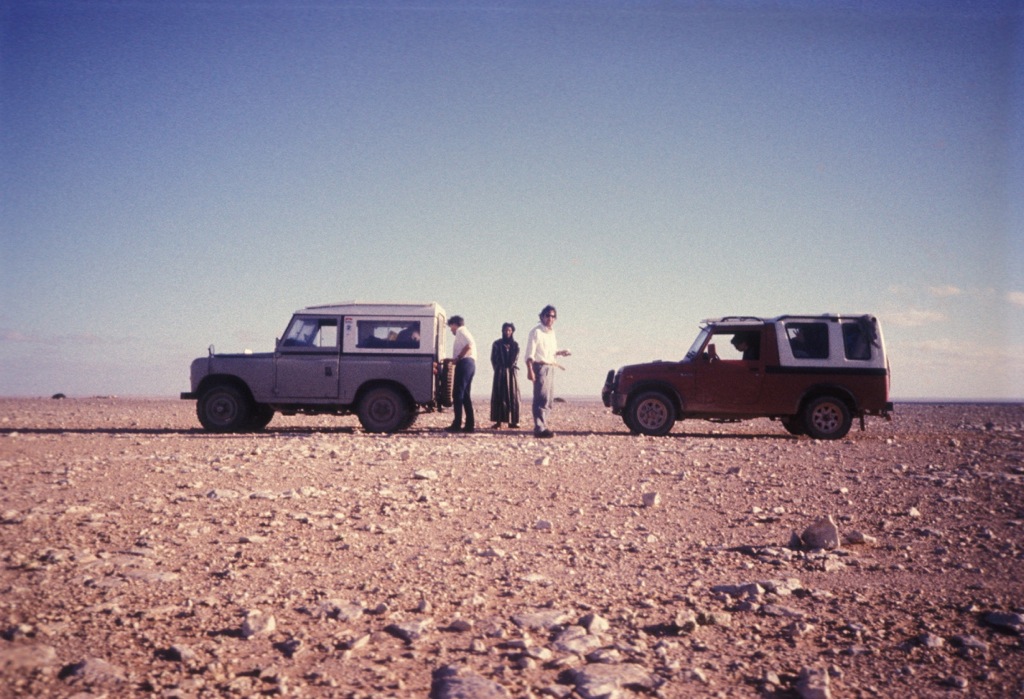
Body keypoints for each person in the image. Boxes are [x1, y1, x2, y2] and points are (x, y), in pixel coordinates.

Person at [524, 305, 570, 438]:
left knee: (549, 400)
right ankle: (539, 428)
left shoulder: (551, 333)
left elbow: (551, 351)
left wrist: (561, 352)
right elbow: (529, 353)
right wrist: (530, 370)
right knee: (541, 398)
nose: (550, 318)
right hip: (539, 367)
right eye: (548, 315)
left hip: (551, 366)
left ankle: (543, 425)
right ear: (542, 316)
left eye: (553, 316)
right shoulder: (536, 332)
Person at [446, 315, 477, 433]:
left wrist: (458, 358)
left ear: (454, 324)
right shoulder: (464, 332)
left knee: (457, 394)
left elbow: (469, 345)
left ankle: (457, 423)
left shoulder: (461, 330)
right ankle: (469, 425)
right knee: (465, 395)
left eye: (451, 326)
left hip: (465, 363)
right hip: (470, 364)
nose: (451, 330)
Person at [490, 323, 521, 429]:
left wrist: (509, 367)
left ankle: (513, 421)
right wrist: (499, 369)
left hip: (512, 374)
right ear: (502, 331)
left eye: (509, 330)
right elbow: (493, 358)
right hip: (500, 373)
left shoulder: (515, 345)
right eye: (506, 330)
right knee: (499, 396)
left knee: (513, 396)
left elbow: (515, 358)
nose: (507, 332)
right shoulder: (497, 344)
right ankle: (498, 421)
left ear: (512, 332)